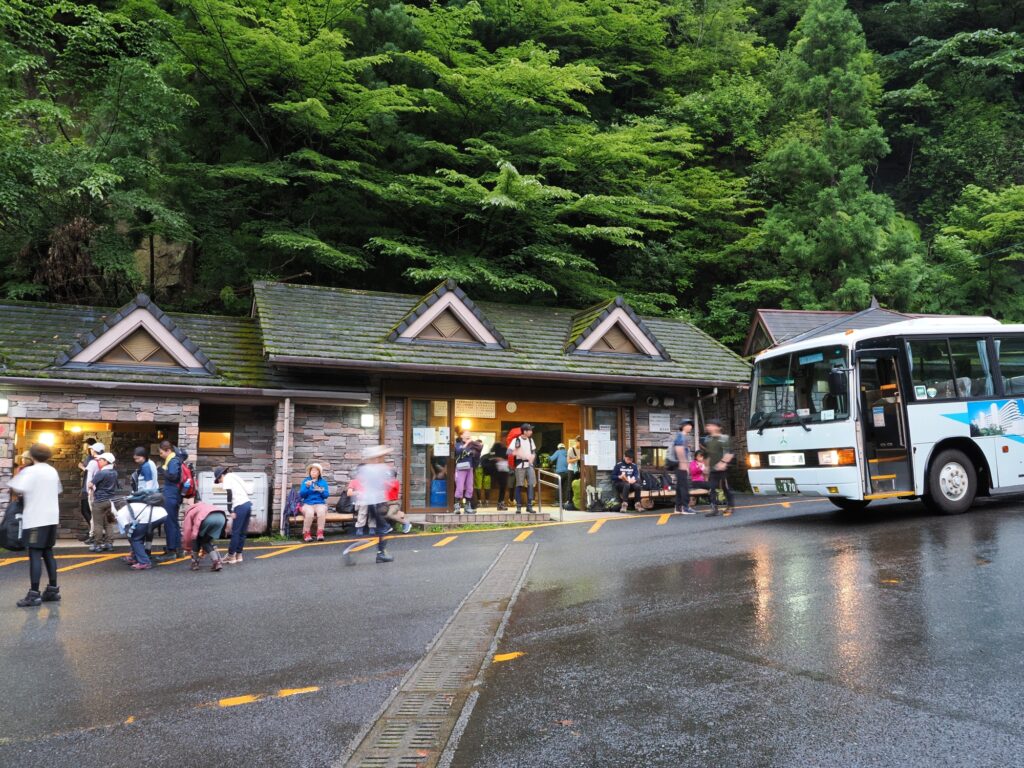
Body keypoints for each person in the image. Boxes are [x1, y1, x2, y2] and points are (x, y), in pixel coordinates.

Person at [8, 444, 62, 607]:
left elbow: (16, 487)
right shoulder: (52, 470)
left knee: (35, 554)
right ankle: (53, 589)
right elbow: (58, 490)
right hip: (52, 517)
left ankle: (34, 594)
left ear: (31, 456)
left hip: (36, 518)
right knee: (48, 552)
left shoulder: (31, 471)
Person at [355, 446, 395, 563]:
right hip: (377, 502)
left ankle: (381, 552)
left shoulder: (365, 469)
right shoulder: (379, 468)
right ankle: (381, 553)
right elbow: (388, 484)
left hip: (370, 502)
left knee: (382, 528)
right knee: (384, 529)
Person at [217, 466, 253, 564]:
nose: (220, 482)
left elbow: (229, 493)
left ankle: (231, 556)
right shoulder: (234, 477)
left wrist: (230, 510)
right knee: (242, 532)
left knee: (235, 532)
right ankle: (239, 555)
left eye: (219, 479)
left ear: (221, 475)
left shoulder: (227, 478)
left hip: (239, 506)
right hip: (248, 504)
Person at [157, 441, 184, 560]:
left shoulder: (173, 461)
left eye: (161, 452)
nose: (160, 455)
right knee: (174, 522)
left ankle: (171, 550)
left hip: (171, 495)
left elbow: (173, 476)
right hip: (174, 494)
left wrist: (162, 471)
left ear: (168, 450)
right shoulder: (176, 460)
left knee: (169, 523)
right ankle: (178, 549)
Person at [181, 501, 227, 572]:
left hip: (207, 518)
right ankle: (217, 562)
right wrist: (205, 550)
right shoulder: (204, 505)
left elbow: (188, 532)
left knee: (196, 539)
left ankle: (195, 563)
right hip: (221, 518)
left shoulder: (190, 511)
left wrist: (187, 547)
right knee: (205, 541)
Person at [703, 419, 736, 517]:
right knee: (711, 488)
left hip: (724, 469)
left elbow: (730, 453)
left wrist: (723, 463)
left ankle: (730, 507)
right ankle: (714, 509)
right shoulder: (707, 439)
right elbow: (707, 455)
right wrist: (707, 467)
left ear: (718, 427)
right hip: (713, 469)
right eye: (708, 425)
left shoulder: (724, 438)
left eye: (712, 425)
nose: (709, 427)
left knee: (726, 488)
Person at [88, 452, 118, 552]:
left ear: (106, 461)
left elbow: (90, 484)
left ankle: (97, 545)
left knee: (98, 524)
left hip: (99, 501)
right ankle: (109, 544)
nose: (99, 461)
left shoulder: (101, 473)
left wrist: (90, 484)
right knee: (108, 523)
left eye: (101, 460)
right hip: (109, 501)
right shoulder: (114, 472)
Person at [672, 421, 698, 516]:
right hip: (681, 465)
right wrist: (684, 464)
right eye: (689, 425)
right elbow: (679, 449)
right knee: (684, 487)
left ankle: (678, 507)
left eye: (691, 425)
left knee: (680, 487)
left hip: (679, 465)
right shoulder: (681, 436)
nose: (691, 427)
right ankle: (685, 507)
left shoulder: (682, 436)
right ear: (683, 426)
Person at [511, 423, 537, 514]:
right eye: (530, 430)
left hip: (529, 465)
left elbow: (533, 452)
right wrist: (518, 453)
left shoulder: (531, 440)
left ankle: (529, 506)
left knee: (531, 484)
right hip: (520, 465)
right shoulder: (516, 440)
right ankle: (518, 506)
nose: (531, 431)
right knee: (519, 485)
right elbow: (509, 451)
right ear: (525, 431)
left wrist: (532, 458)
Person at [299, 463, 329, 542]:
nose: (313, 472)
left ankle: (320, 532)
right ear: (310, 472)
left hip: (320, 503)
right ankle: (306, 533)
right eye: (312, 471)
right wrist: (307, 487)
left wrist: (321, 491)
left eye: (315, 471)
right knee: (309, 513)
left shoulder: (323, 482)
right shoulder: (306, 481)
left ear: (319, 473)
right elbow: (302, 495)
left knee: (321, 511)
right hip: (308, 503)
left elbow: (326, 495)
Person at [453, 430, 481, 514]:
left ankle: (467, 507)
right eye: (466, 434)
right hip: (461, 468)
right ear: (461, 436)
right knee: (460, 487)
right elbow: (458, 451)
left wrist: (471, 442)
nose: (469, 435)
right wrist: (466, 444)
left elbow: (480, 447)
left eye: (470, 434)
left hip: (470, 468)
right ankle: (457, 507)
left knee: (469, 487)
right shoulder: (458, 444)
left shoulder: (472, 444)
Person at [76, 437, 97, 534]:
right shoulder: (90, 458)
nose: (84, 447)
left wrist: (82, 467)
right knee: (87, 510)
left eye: (86, 444)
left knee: (85, 510)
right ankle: (93, 530)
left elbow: (90, 472)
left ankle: (94, 531)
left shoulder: (92, 459)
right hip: (87, 487)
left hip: (88, 488)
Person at [484, 437, 511, 511]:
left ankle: (500, 503)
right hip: (495, 468)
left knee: (503, 486)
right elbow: (491, 455)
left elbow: (510, 457)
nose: (505, 440)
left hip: (504, 469)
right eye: (505, 438)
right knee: (492, 486)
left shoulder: (507, 448)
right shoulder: (496, 445)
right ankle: (487, 501)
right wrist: (497, 458)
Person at [548, 442, 570, 507]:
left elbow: (551, 458)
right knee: (565, 487)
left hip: (559, 472)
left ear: (558, 448)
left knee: (557, 487)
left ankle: (557, 502)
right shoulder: (567, 452)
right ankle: (565, 501)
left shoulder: (558, 452)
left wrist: (548, 456)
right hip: (567, 472)